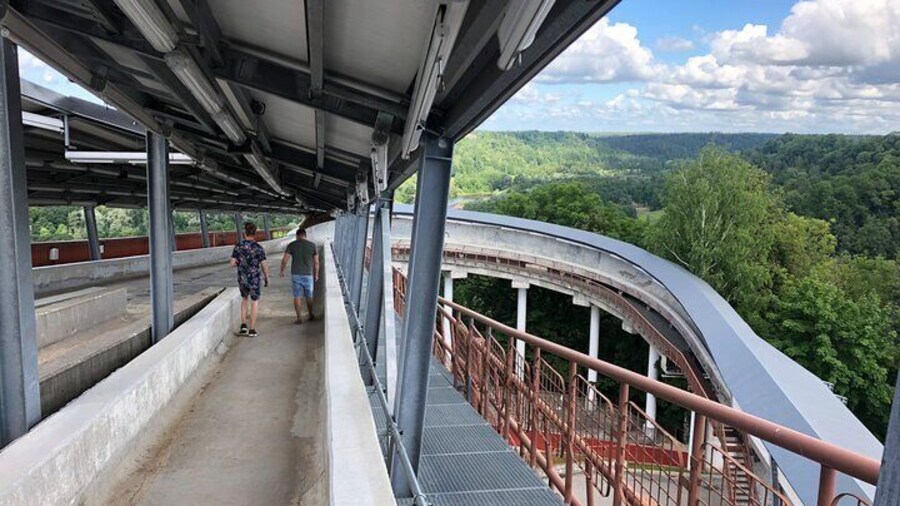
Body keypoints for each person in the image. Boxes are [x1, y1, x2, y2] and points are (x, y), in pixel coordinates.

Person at [230, 222, 269, 337]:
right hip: (255, 279)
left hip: (242, 278)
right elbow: (264, 265)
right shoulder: (258, 247)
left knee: (244, 299)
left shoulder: (238, 246)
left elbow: (232, 263)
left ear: (244, 233)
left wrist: (239, 262)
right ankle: (252, 330)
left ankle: (243, 326)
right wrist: (266, 277)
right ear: (255, 233)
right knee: (255, 302)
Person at [280, 228, 319, 323]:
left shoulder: (292, 245)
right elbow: (316, 262)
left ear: (297, 235)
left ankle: (299, 318)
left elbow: (285, 260)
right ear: (305, 235)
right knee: (309, 295)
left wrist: (282, 270)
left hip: (295, 274)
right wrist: (316, 274)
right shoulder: (312, 245)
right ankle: (310, 315)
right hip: (308, 274)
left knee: (297, 296)